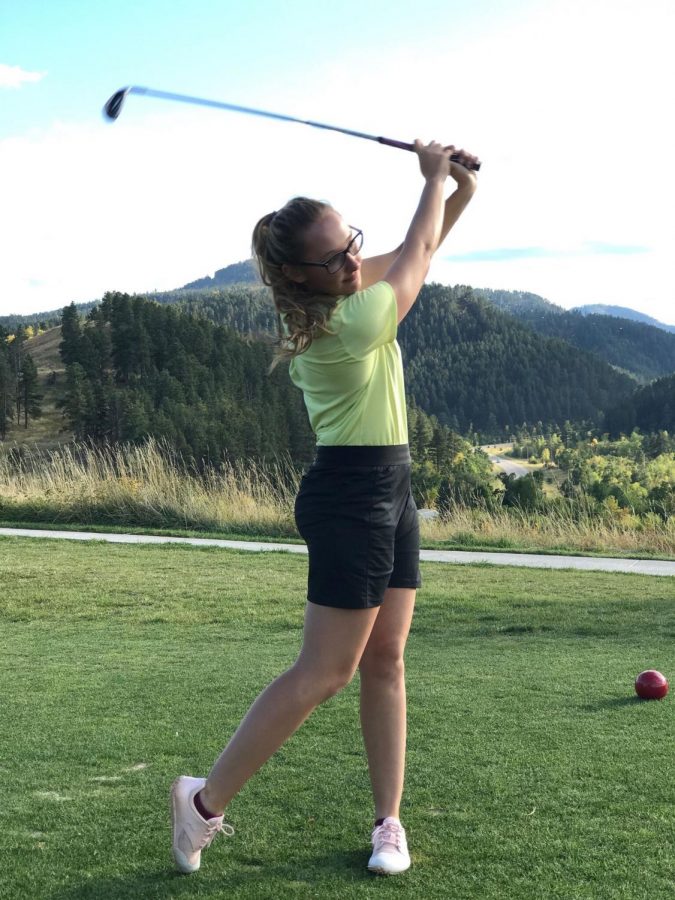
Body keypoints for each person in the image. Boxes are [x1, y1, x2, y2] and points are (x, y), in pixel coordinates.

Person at [170, 139, 479, 877]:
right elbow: (416, 253)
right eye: (335, 256)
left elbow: (421, 243)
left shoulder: (338, 292)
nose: (351, 261)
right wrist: (433, 178)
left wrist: (456, 186)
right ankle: (202, 803)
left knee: (386, 660)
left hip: (391, 484)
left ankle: (388, 824)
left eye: (352, 245)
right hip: (350, 496)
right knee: (324, 671)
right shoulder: (344, 323)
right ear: (298, 274)